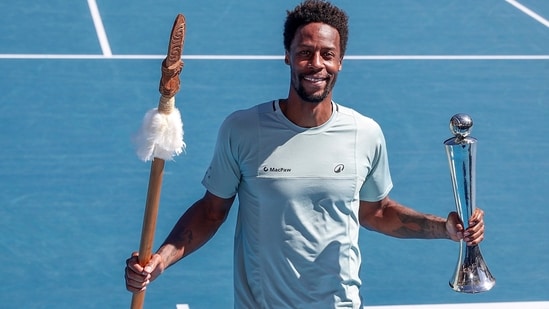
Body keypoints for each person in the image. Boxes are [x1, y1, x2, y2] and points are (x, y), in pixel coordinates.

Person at [125, 0, 486, 308]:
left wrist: (445, 229)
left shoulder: (366, 133)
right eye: (305, 53)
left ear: (340, 61)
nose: (316, 64)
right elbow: (210, 212)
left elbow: (376, 212)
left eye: (327, 55)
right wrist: (160, 260)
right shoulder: (243, 129)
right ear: (288, 57)